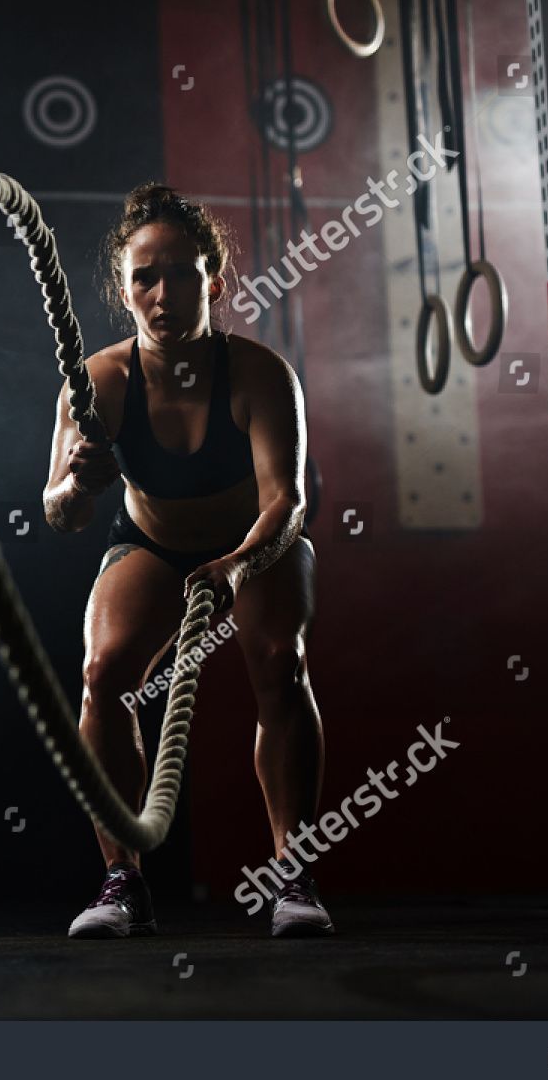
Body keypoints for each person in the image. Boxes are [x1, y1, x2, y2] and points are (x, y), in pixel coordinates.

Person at [42, 183, 334, 939]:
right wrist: (80, 481)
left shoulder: (261, 374)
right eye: (144, 277)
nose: (161, 292)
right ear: (123, 288)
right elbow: (60, 514)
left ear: (213, 279)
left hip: (259, 540)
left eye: (178, 272)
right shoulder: (99, 381)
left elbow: (289, 502)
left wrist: (238, 567)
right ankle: (121, 883)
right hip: (155, 543)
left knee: (279, 660)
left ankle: (292, 872)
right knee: (102, 677)